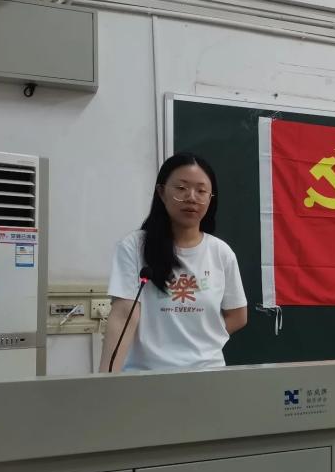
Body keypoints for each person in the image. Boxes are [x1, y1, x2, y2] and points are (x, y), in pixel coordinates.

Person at [99, 153, 247, 372]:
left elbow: (238, 316)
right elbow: (123, 315)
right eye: (181, 188)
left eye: (201, 191)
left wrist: (203, 343)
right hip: (147, 376)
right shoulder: (134, 246)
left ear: (210, 198)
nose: (191, 197)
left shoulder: (221, 252)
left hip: (208, 375)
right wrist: (106, 379)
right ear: (161, 192)